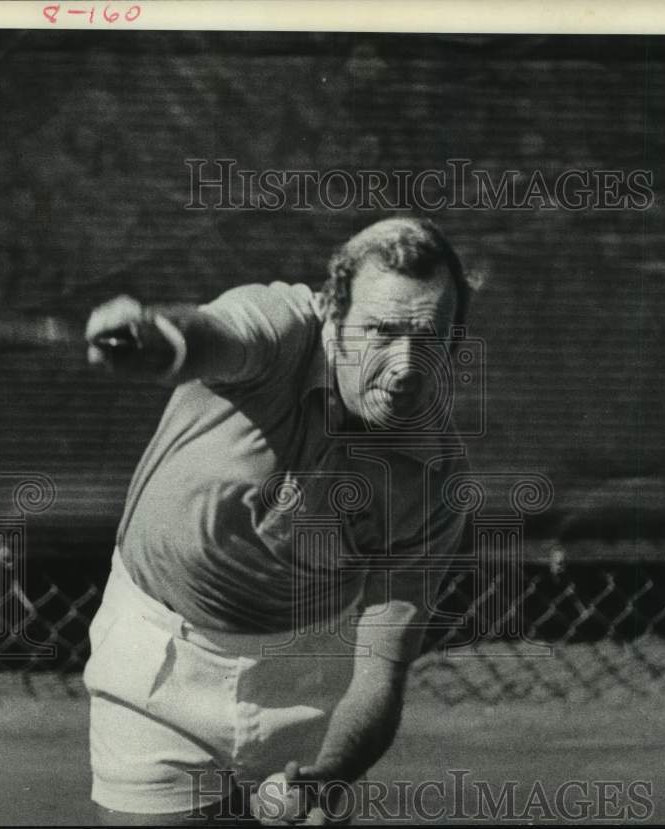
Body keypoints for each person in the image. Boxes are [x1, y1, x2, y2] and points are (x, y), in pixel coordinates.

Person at [83, 217, 475, 825]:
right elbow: (210, 334)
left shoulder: (437, 477)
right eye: (380, 331)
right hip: (157, 665)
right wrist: (153, 337)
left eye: (427, 338)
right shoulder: (278, 327)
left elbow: (381, 666)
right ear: (331, 317)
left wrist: (329, 775)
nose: (405, 366)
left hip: (311, 686)